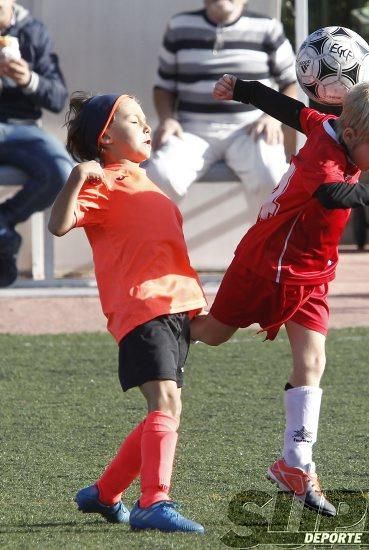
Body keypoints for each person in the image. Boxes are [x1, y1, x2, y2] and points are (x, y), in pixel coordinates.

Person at [191, 72, 369, 516]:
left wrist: (241, 89)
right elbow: (333, 194)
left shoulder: (328, 127)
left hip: (311, 273)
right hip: (265, 265)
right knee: (212, 333)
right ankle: (163, 321)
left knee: (313, 360)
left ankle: (295, 464)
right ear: (352, 134)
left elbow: (290, 109)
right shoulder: (323, 156)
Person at [48, 92, 207, 533]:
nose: (147, 126)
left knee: (168, 411)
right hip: (142, 310)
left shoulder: (145, 180)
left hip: (174, 310)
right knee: (165, 402)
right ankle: (153, 502)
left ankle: (104, 494)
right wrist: (77, 177)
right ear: (105, 138)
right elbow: (58, 225)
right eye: (135, 120)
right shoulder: (103, 181)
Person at [145, 0, 297, 209]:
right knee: (158, 176)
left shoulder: (268, 27)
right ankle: (161, 241)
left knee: (273, 178)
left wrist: (272, 118)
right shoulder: (179, 26)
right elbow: (163, 87)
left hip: (250, 131)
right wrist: (167, 120)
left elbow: (290, 83)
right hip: (191, 131)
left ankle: (266, 241)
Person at [0, 0, 73, 286]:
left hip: (23, 129)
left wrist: (28, 79)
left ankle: (3, 222)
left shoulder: (33, 31)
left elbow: (57, 98)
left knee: (62, 172)